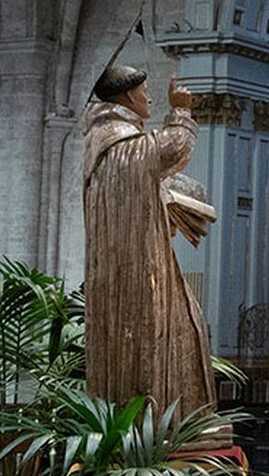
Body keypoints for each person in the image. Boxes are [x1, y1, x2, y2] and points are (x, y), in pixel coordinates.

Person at [83, 65, 222, 434]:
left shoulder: (110, 143)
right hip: (138, 268)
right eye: (144, 91)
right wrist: (180, 110)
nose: (148, 97)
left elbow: (152, 178)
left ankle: (167, 426)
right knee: (174, 330)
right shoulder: (119, 142)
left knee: (186, 325)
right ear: (129, 95)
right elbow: (171, 149)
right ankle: (161, 429)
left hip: (129, 262)